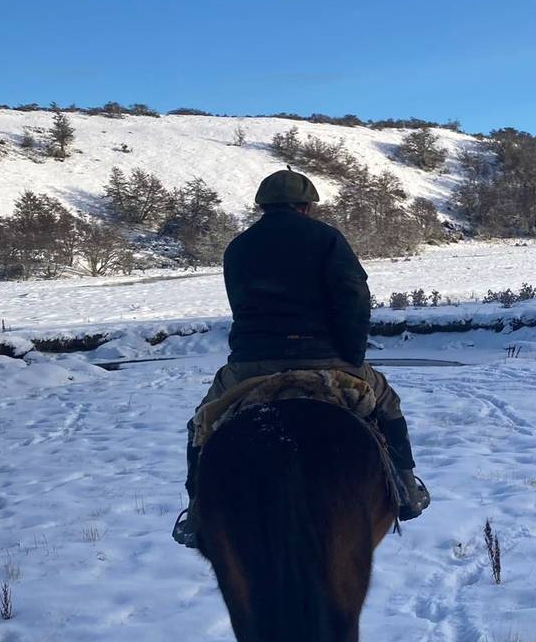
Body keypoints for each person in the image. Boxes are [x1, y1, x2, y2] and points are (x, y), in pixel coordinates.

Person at [173, 169, 429, 547]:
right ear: (307, 206)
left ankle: (197, 513)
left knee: (202, 422)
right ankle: (406, 489)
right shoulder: (326, 238)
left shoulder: (239, 246)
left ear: (263, 205)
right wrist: (350, 354)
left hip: (251, 362)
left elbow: (240, 305)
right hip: (326, 356)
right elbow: (354, 298)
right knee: (388, 403)